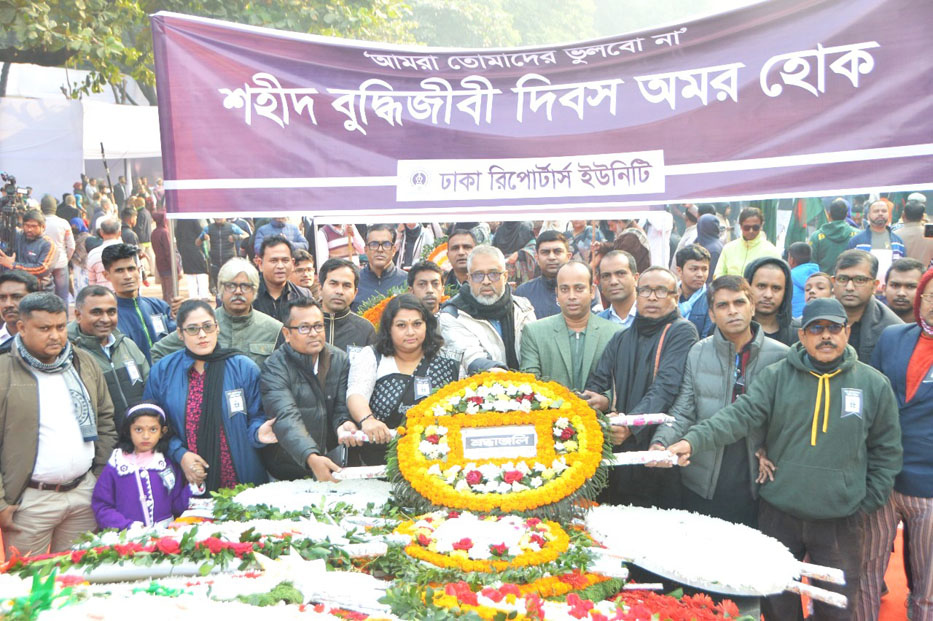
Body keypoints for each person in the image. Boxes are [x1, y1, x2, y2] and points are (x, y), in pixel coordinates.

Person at [667, 297, 903, 621]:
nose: (826, 336)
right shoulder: (778, 376)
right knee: (777, 604)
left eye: (834, 328)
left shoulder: (873, 384)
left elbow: (887, 449)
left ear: (847, 332)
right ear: (802, 335)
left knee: (836, 607)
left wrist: (864, 501)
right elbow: (739, 416)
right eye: (816, 329)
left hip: (840, 519)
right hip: (779, 514)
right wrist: (691, 442)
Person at [651, 275, 788, 528]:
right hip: (703, 471)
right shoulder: (698, 352)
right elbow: (684, 409)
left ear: (753, 307)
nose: (732, 311)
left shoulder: (781, 356)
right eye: (723, 305)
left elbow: (788, 419)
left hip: (755, 477)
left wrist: (771, 446)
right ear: (712, 314)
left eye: (739, 302)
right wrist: (661, 442)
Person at [0, 292, 116, 557]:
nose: (55, 336)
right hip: (29, 502)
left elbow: (106, 420)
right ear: (21, 327)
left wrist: (97, 478)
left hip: (84, 494)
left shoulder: (83, 362)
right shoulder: (3, 370)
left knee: (79, 579)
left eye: (60, 327)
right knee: (29, 587)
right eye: (44, 328)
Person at [583, 267, 698, 507]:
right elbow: (597, 382)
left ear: (675, 297)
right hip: (619, 445)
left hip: (657, 447)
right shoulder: (621, 338)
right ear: (637, 293)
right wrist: (596, 404)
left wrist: (629, 424)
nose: (652, 297)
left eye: (661, 291)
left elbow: (666, 387)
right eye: (646, 290)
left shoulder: (681, 330)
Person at [857, 269, 933, 621]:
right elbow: (870, 398)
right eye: (930, 297)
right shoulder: (893, 337)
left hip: (928, 487)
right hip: (882, 480)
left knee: (927, 586)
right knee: (865, 573)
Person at [143, 300, 277, 493]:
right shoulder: (163, 371)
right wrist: (179, 454)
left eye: (208, 326)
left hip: (241, 474)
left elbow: (257, 415)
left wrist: (258, 433)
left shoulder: (242, 367)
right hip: (188, 476)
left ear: (217, 328)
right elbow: (154, 424)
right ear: (180, 334)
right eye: (192, 329)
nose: (202, 335)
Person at [347, 294, 459, 465]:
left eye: (417, 324)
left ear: (427, 325)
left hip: (436, 460)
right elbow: (356, 393)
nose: (410, 332)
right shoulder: (372, 356)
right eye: (401, 325)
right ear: (388, 328)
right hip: (380, 457)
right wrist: (367, 420)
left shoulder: (447, 359)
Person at [261, 298, 357, 481]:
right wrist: (311, 457)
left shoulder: (339, 359)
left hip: (331, 464)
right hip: (287, 466)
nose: (314, 333)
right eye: (304, 328)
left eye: (318, 326)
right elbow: (286, 417)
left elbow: (340, 408)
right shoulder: (274, 367)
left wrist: (343, 424)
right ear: (287, 334)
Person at [151, 258, 283, 367]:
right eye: (230, 286)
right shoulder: (202, 324)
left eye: (245, 286)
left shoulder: (274, 329)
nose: (238, 291)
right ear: (220, 289)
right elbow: (158, 352)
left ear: (254, 291)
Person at [91, 402, 197, 529]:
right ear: (128, 431)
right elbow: (102, 506)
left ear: (162, 431)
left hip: (165, 538)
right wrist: (128, 526)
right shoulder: (116, 466)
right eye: (138, 429)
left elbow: (176, 505)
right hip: (128, 541)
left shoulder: (167, 465)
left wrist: (195, 484)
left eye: (153, 429)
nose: (146, 436)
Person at [520, 261, 620, 392]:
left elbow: (623, 382)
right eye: (564, 289)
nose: (572, 296)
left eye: (579, 289)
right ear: (557, 293)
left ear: (592, 291)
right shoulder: (534, 332)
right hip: (551, 410)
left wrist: (607, 399)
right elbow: (529, 383)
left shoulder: (616, 334)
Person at [438, 245, 535, 374]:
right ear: (469, 279)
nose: (486, 281)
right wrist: (494, 371)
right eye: (478, 275)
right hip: (478, 389)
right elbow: (469, 355)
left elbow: (534, 354)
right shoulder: (453, 314)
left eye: (494, 274)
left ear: (505, 277)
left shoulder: (523, 308)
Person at [69, 286, 149, 428]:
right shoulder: (69, 355)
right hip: (100, 444)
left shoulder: (128, 345)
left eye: (111, 312)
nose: (105, 319)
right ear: (78, 315)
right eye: (96, 312)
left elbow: (149, 389)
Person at [103, 243, 176, 363]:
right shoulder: (108, 318)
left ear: (138, 270)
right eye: (119, 271)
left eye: (131, 269)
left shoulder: (159, 307)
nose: (127, 276)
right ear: (107, 275)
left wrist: (182, 316)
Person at [833, 249, 902, 362]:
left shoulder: (891, 330)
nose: (849, 287)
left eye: (860, 280)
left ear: (875, 285)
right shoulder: (812, 321)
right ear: (833, 281)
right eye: (842, 279)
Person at [318, 258, 377, 352]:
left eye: (346, 286)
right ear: (320, 288)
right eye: (333, 284)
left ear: (355, 292)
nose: (339, 291)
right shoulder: (304, 325)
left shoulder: (365, 330)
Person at [515, 230, 572, 319]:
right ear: (537, 258)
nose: (551, 257)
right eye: (545, 252)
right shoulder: (523, 292)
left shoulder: (582, 290)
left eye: (557, 251)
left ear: (568, 257)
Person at [253, 235, 311, 323]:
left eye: (285, 260)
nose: (280, 266)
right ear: (260, 264)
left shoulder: (303, 296)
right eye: (274, 261)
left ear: (292, 263)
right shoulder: (249, 295)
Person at [848, 199, 906, 282]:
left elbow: (902, 269)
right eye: (876, 211)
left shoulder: (898, 241)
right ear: (868, 216)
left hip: (889, 290)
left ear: (889, 215)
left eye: (884, 211)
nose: (880, 213)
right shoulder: (856, 241)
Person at [353, 224, 408, 311]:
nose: (380, 249)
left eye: (386, 244)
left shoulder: (407, 281)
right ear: (366, 250)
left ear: (393, 250)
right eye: (374, 244)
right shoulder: (354, 281)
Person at [713, 207, 780, 277]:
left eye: (755, 227)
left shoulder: (772, 252)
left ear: (761, 226)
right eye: (747, 228)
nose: (751, 231)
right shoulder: (728, 248)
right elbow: (718, 275)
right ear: (741, 226)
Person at [745, 256, 797, 346]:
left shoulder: (799, 333)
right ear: (747, 287)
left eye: (776, 288)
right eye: (761, 286)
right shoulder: (730, 328)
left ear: (786, 291)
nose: (768, 295)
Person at [0, 209, 57, 290]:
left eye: (33, 226)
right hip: (18, 285)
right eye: (26, 225)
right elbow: (4, 230)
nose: (29, 229)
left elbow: (42, 269)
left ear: (43, 227)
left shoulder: (48, 244)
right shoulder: (19, 236)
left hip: (39, 289)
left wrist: (13, 265)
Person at [38, 195, 74, 303]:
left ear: (42, 207)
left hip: (43, 265)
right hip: (61, 263)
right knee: (63, 298)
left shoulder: (38, 223)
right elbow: (71, 246)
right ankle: (64, 320)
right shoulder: (63, 223)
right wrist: (65, 259)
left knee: (44, 299)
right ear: (55, 207)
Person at [198, 218, 249, 292]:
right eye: (216, 216)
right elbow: (197, 242)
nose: (218, 218)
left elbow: (246, 235)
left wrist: (236, 237)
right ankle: (219, 302)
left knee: (231, 286)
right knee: (219, 288)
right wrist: (203, 238)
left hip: (229, 262)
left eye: (221, 216)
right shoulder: (208, 228)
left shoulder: (231, 227)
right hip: (215, 263)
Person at [675, 245, 714, 338]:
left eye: (704, 269)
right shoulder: (669, 296)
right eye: (694, 269)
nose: (700, 275)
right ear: (679, 271)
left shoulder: (711, 300)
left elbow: (707, 338)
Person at [810, 198, 858, 273]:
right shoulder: (857, 234)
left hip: (824, 282)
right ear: (846, 215)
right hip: (848, 281)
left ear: (829, 214)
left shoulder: (816, 237)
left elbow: (812, 265)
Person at [596, 250, 639, 329]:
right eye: (606, 276)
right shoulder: (596, 324)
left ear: (635, 278)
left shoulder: (653, 318)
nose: (613, 282)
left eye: (620, 274)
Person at [0, 270, 39, 354]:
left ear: (34, 298)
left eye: (17, 297)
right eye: (2, 298)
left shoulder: (49, 339)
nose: (8, 304)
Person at [175, 218, 211, 300]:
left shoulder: (180, 220)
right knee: (202, 271)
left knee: (189, 273)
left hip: (184, 248)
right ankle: (204, 294)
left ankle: (193, 295)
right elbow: (201, 234)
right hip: (196, 248)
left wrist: (180, 249)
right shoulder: (194, 219)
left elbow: (177, 236)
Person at [881, 257, 925, 323]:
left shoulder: (929, 327)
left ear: (924, 291)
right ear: (884, 289)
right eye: (895, 285)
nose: (901, 293)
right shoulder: (868, 322)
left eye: (910, 286)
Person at [894, 193, 932, 268]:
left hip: (902, 275)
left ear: (903, 215)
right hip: (925, 276)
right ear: (922, 216)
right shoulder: (930, 232)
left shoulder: (894, 233)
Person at [86, 218, 123, 290]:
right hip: (125, 296)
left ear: (101, 232)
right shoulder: (130, 251)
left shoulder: (93, 254)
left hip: (103, 296)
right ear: (119, 233)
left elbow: (92, 282)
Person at [786, 242, 820, 319]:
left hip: (794, 321)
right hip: (815, 319)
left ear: (791, 260)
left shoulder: (788, 278)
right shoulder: (819, 276)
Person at [150, 212, 176, 303]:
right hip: (168, 265)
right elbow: (168, 252)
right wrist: (176, 266)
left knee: (165, 291)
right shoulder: (164, 233)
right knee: (171, 292)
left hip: (160, 265)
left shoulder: (154, 232)